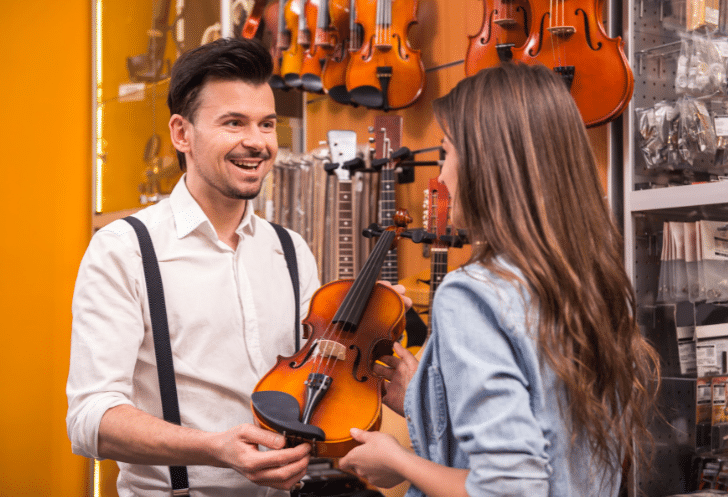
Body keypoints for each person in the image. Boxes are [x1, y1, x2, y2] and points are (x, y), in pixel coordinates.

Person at [339, 62, 661, 497]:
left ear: (489, 167)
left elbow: (509, 489)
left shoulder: (472, 295)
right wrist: (425, 397)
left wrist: (398, 461)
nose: (441, 178)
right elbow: (554, 437)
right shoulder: (598, 286)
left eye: (446, 153)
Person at [67, 38, 318, 496]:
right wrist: (215, 447)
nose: (257, 143)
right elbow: (90, 419)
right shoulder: (125, 250)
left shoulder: (292, 250)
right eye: (233, 123)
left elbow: (316, 383)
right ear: (182, 133)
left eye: (267, 124)